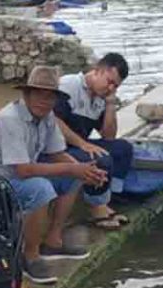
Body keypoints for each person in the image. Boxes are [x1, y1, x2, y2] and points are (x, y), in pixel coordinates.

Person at [0, 66, 108, 285]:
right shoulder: (10, 118)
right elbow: (23, 170)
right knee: (41, 188)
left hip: (13, 178)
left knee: (73, 175)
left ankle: (52, 241)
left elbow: (56, 153)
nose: (44, 101)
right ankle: (29, 257)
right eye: (39, 95)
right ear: (26, 95)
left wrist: (85, 170)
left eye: (50, 97)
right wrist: (73, 168)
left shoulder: (48, 117)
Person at [54, 53, 133, 229]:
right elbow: (54, 121)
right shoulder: (70, 85)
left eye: (116, 86)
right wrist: (82, 143)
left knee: (123, 149)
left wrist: (111, 104)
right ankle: (97, 208)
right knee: (101, 159)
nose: (110, 88)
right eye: (109, 81)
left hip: (78, 144)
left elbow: (109, 136)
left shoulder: (101, 97)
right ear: (97, 71)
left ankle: (109, 200)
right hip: (57, 147)